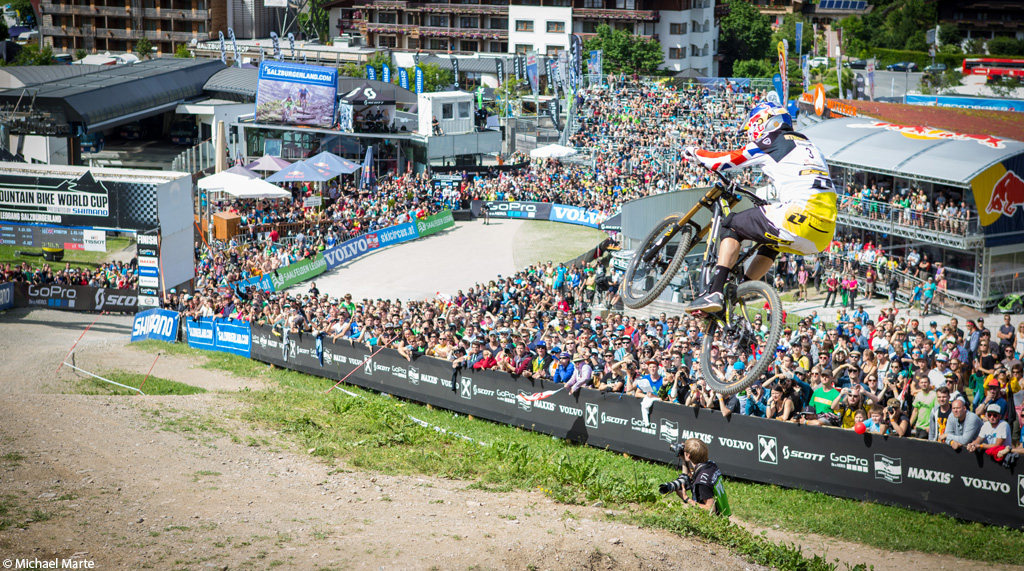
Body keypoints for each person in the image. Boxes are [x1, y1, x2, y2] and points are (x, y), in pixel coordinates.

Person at [682, 101, 837, 312]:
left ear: (762, 121)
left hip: (798, 215)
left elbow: (725, 161)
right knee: (771, 243)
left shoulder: (771, 139)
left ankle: (715, 292)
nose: (750, 132)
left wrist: (696, 152)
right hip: (824, 234)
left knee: (731, 225)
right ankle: (737, 292)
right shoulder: (810, 145)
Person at [658, 438, 730, 516]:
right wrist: (684, 459)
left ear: (688, 455)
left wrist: (686, 498)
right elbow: (690, 476)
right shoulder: (711, 465)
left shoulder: (702, 483)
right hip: (723, 513)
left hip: (713, 521)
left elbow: (711, 510)